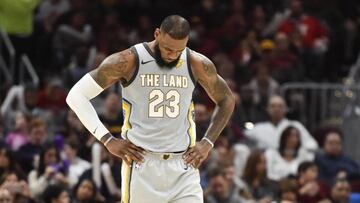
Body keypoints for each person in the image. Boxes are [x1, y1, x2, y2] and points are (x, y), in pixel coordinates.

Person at [66, 15, 235, 203]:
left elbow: (227, 99)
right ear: (157, 34)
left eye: (178, 50)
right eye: (168, 48)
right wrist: (107, 140)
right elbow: (76, 96)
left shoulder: (196, 63)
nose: (172, 55)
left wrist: (208, 143)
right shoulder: (128, 60)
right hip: (142, 164)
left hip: (184, 165)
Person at [245, 95, 318, 151]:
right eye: (273, 106)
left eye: (280, 106)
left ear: (286, 109)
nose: (276, 109)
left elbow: (312, 144)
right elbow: (243, 138)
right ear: (267, 109)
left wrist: (297, 150)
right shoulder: (259, 127)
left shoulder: (295, 125)